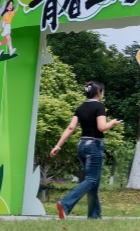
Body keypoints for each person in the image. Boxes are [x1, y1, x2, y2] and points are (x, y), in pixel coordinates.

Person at [51, 80, 123, 219]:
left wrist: (58, 146)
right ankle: (65, 204)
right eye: (103, 92)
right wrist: (112, 123)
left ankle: (94, 216)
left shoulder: (81, 107)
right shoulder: (99, 106)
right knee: (91, 180)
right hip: (94, 146)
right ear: (99, 92)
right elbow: (102, 127)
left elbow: (71, 128)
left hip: (82, 146)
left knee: (92, 182)